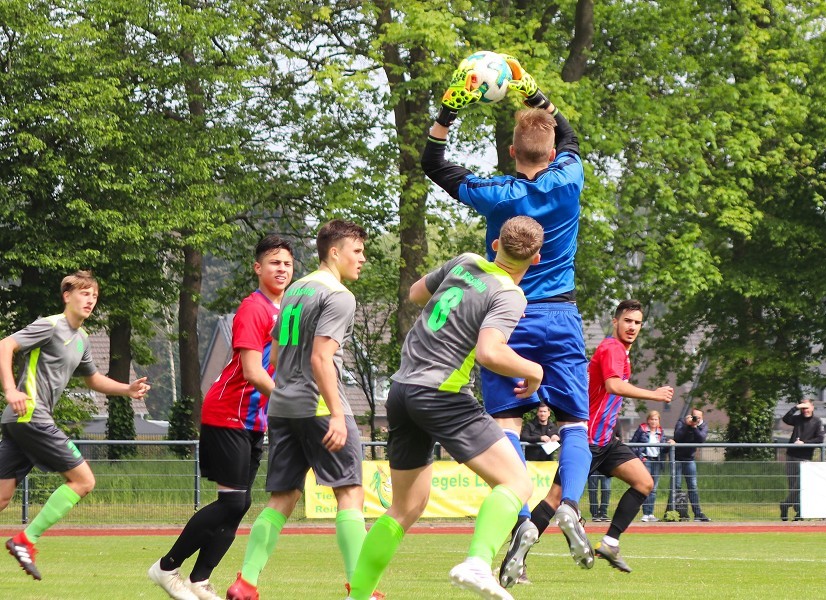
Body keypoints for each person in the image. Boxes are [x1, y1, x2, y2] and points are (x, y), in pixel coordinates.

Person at [421, 55, 594, 580]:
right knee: (575, 424)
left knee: (506, 424)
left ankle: (521, 515)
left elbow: (435, 165)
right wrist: (534, 94)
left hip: (507, 315)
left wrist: (448, 114)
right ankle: (566, 506)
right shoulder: (571, 177)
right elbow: (570, 139)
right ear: (550, 150)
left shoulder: (498, 193)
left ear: (513, 151)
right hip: (561, 316)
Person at [347, 216, 544, 600]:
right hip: (442, 393)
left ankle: (357, 597)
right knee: (517, 483)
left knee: (406, 507)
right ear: (536, 259)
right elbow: (489, 352)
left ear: (495, 245)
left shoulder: (466, 261)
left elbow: (417, 294)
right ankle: (477, 563)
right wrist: (534, 370)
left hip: (402, 390)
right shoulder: (509, 293)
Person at [225, 220, 370, 600]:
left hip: (283, 408)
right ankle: (361, 589)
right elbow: (322, 358)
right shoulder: (338, 296)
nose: (362, 260)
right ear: (334, 252)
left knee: (281, 498)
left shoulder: (294, 290)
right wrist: (338, 413)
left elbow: (275, 347)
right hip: (319, 407)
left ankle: (247, 582)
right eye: (357, 252)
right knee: (351, 492)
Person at [149, 235, 294, 600]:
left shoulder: (289, 311)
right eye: (274, 262)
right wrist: (294, 401)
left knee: (240, 503)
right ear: (257, 268)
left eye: (288, 263)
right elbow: (251, 372)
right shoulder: (253, 308)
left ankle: (199, 581)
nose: (282, 269)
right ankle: (166, 568)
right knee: (231, 502)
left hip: (254, 421)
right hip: (227, 412)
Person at [502, 299, 674, 581]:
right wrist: (653, 394)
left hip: (606, 440)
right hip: (588, 439)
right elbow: (612, 385)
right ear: (615, 321)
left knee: (644, 482)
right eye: (627, 321)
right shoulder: (611, 348)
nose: (632, 327)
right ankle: (516, 559)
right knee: (554, 500)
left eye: (637, 322)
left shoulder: (621, 352)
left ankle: (610, 543)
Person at [0, 270, 150, 580]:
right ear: (67, 296)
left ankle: (24, 540)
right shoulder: (49, 326)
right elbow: (5, 346)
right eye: (84, 293)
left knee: (1, 497)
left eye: (94, 295)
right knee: (84, 481)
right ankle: (25, 540)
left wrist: (127, 389)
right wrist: (11, 390)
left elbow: (93, 379)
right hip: (31, 415)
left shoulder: (81, 339)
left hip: (20, 422)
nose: (90, 300)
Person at [778, 400, 824, 521]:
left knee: (801, 486)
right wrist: (796, 407)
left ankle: (786, 505)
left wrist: (805, 443)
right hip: (791, 455)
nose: (805, 410)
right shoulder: (797, 419)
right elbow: (786, 419)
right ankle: (799, 513)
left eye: (807, 407)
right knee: (792, 485)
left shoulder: (817, 421)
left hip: (805, 457)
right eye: (803, 408)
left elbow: (820, 438)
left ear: (812, 407)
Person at [629, 410, 673, 522]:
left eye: (656, 419)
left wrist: (669, 444)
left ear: (659, 421)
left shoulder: (660, 432)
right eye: (652, 419)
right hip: (645, 460)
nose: (654, 421)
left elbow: (663, 449)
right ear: (648, 420)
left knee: (654, 488)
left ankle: (650, 513)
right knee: (646, 487)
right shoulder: (642, 429)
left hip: (657, 461)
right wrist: (639, 457)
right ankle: (645, 513)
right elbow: (632, 444)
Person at [670, 408, 711, 522]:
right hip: (677, 459)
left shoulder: (703, 426)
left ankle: (698, 514)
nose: (695, 419)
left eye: (698, 417)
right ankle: (677, 514)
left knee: (692, 487)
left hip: (690, 460)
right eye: (694, 416)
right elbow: (677, 437)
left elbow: (701, 439)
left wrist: (694, 427)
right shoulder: (681, 422)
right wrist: (686, 425)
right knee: (676, 486)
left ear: (701, 418)